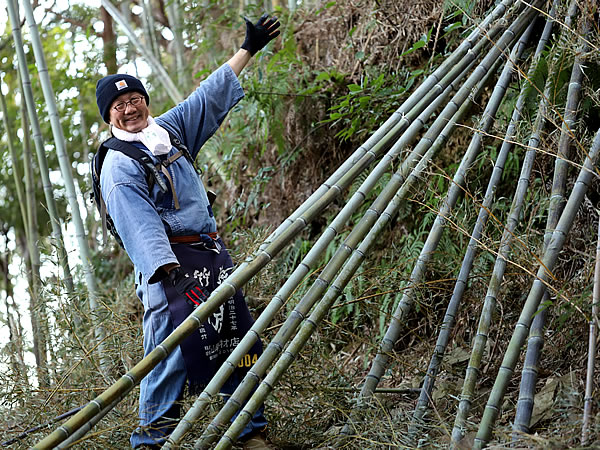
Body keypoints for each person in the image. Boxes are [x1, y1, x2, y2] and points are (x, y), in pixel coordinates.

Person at [94, 14, 280, 449]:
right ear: (109, 118)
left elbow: (206, 100)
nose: (130, 108)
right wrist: (167, 270)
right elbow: (137, 222)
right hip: (169, 272)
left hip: (209, 260)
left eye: (135, 99)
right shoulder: (119, 163)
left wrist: (248, 49)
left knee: (235, 338)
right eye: (118, 106)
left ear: (145, 101)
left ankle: (248, 433)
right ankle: (152, 441)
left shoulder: (166, 133)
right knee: (169, 354)